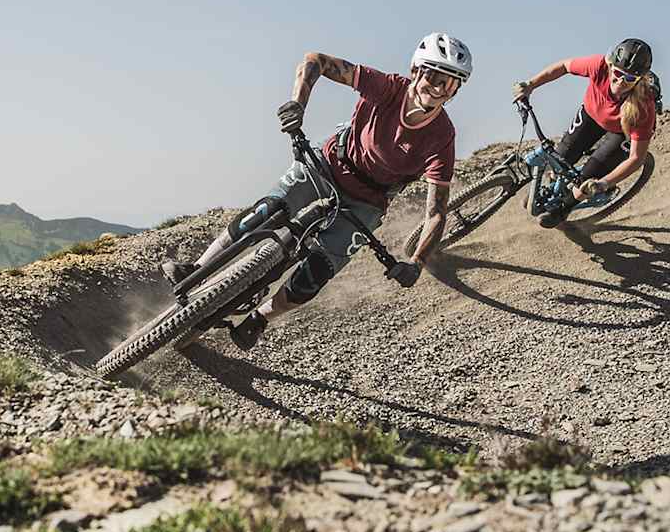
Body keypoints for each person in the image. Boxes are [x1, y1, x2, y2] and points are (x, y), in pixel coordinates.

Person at [161, 33, 472, 350]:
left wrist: (416, 264)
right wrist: (298, 104)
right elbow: (316, 61)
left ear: (456, 91)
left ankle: (260, 318)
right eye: (433, 75)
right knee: (264, 212)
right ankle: (198, 269)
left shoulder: (441, 135)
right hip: (328, 164)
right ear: (416, 71)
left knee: (317, 273)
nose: (436, 88)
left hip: (369, 200)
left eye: (449, 84)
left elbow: (436, 213)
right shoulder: (387, 87)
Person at [512, 38, 659, 228]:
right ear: (610, 65)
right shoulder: (598, 66)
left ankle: (564, 208)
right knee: (561, 157)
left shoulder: (643, 107)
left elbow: (637, 158)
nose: (621, 81)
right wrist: (530, 84)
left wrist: (604, 183)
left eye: (629, 78)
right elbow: (564, 66)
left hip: (622, 132)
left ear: (639, 80)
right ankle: (551, 190)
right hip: (591, 114)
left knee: (586, 180)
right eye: (618, 73)